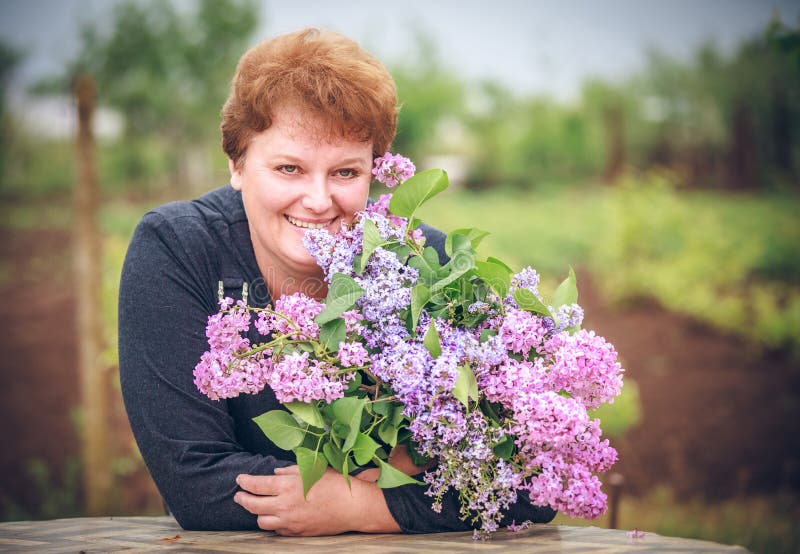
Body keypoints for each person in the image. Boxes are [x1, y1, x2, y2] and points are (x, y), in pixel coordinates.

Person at [119, 27, 556, 536]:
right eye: (289, 168)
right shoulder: (178, 249)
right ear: (236, 165)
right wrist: (415, 472)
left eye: (346, 173)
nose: (319, 200)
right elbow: (195, 484)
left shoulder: (430, 264)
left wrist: (362, 508)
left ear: (375, 171)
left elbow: (535, 482)